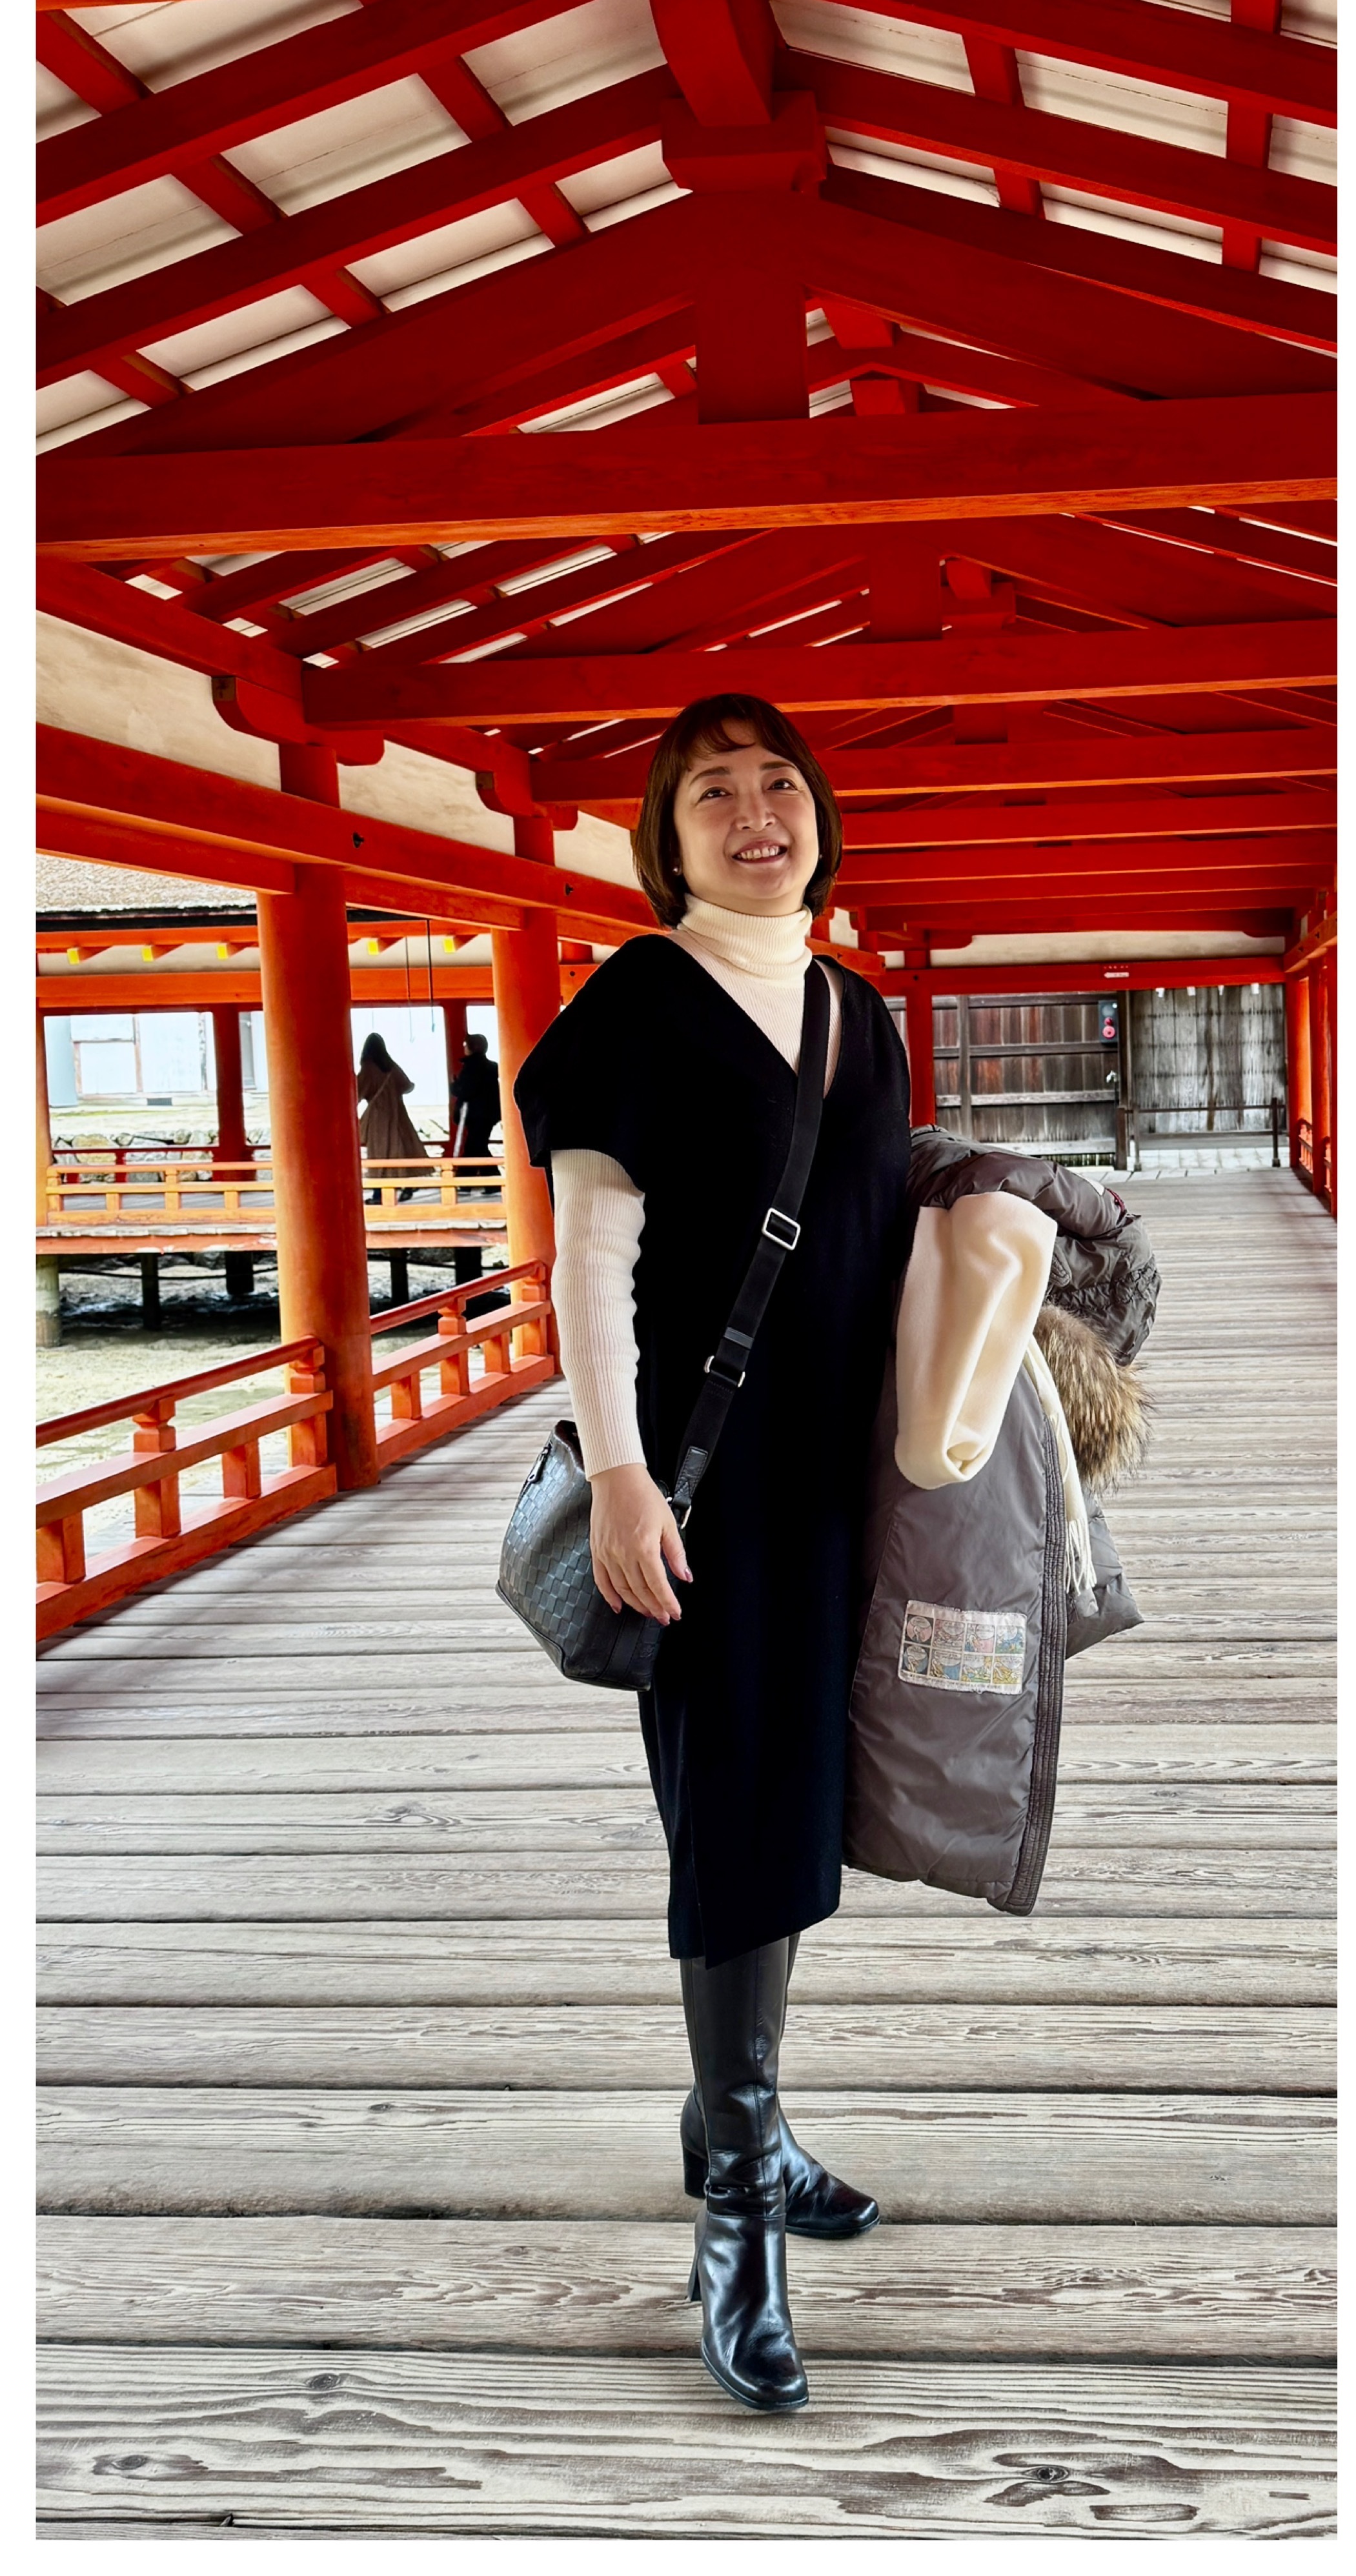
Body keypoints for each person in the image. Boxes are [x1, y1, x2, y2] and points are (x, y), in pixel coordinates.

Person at [514, 694, 1132, 2417]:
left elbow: (887, 1222)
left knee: (806, 1808)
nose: (754, 812)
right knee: (731, 1818)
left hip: (851, 1486)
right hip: (708, 1496)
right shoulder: (633, 1009)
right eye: (714, 793)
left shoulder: (863, 1015)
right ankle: (734, 2203)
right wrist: (626, 1477)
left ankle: (757, 2127)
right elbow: (591, 1264)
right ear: (670, 837)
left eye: (778, 784)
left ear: (820, 820)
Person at [356, 1034, 425, 1189]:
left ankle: (379, 1192)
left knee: (379, 1152)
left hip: (378, 1117)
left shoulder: (368, 1068)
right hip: (398, 1113)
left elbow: (357, 1093)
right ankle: (408, 1186)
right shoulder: (392, 1067)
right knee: (400, 1148)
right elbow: (407, 1086)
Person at [448, 1032, 501, 1167]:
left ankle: (472, 1179)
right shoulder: (492, 1067)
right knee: (477, 1145)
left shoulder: (471, 1067)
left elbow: (465, 1091)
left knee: (475, 1146)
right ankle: (479, 1180)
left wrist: (454, 1085)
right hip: (490, 1113)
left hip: (474, 1114)